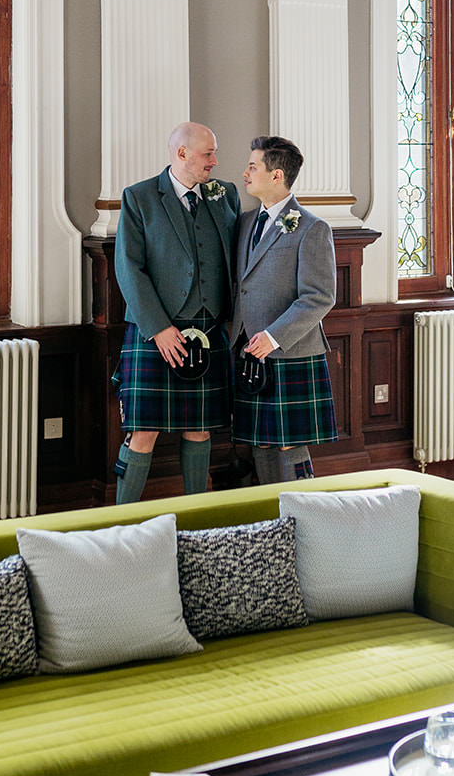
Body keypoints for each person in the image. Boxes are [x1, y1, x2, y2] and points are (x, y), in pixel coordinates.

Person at [112, 121, 241, 502]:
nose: (215, 162)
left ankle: (194, 517)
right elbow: (128, 268)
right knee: (143, 430)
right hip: (156, 331)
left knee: (200, 428)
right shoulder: (140, 198)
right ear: (182, 153)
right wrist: (159, 328)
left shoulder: (225, 195)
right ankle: (119, 522)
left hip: (209, 326)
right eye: (208, 154)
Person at [229, 135, 337, 482]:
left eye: (252, 166)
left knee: (291, 443)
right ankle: (270, 519)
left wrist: (273, 337)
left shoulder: (312, 228)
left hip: (290, 351)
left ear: (276, 175)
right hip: (248, 352)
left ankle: (304, 516)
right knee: (259, 442)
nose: (245, 173)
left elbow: (319, 296)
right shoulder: (245, 223)